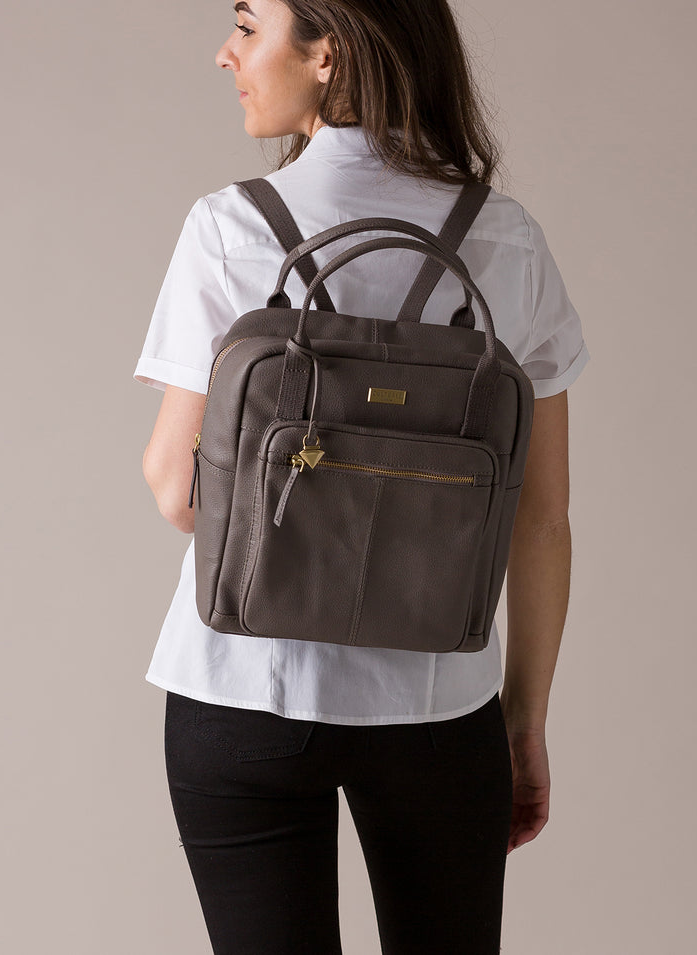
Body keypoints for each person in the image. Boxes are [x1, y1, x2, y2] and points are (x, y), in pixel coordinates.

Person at [135, 1, 590, 952]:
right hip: (438, 708)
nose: (226, 53)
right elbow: (542, 519)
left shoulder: (230, 227)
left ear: (328, 53)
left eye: (248, 26)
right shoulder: (506, 238)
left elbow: (178, 493)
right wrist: (523, 722)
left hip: (243, 690)